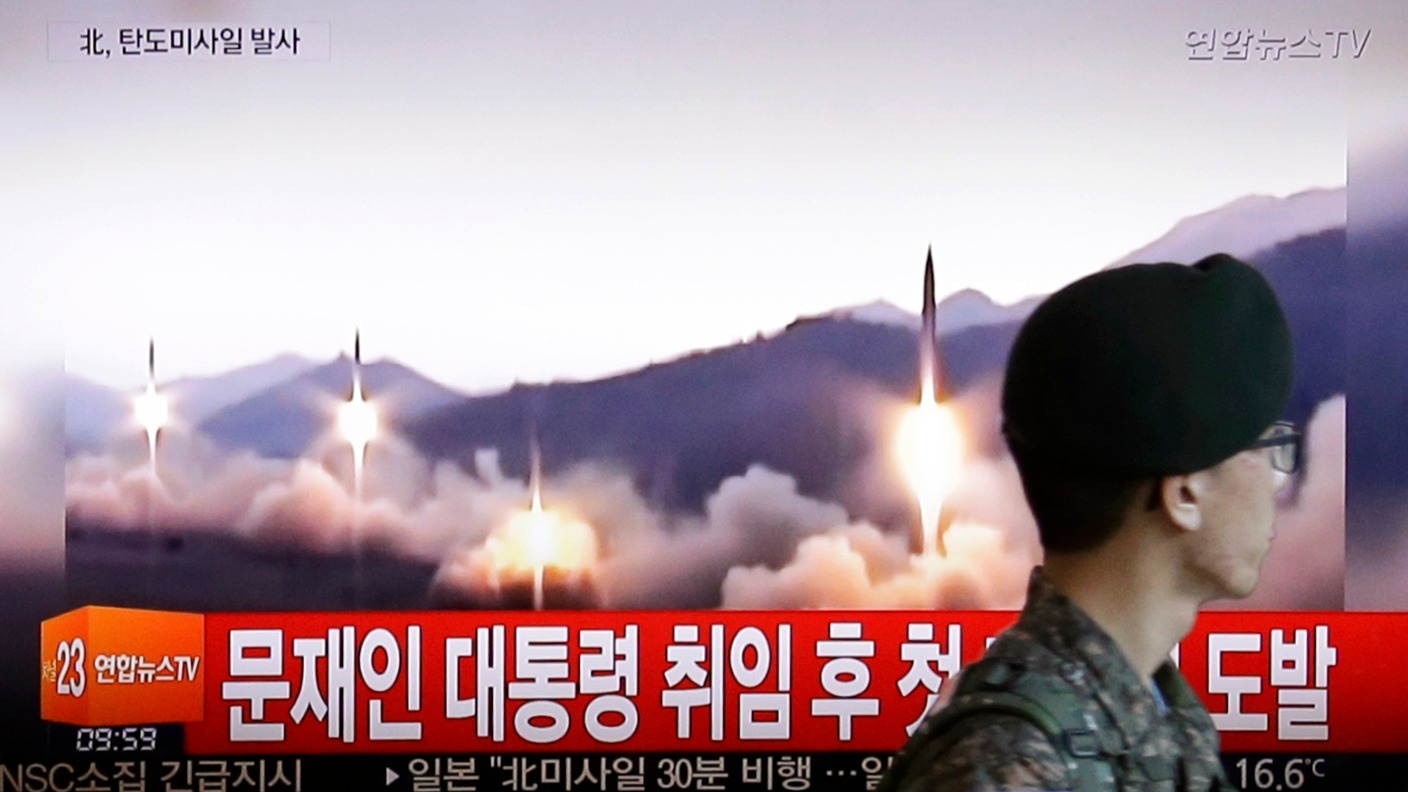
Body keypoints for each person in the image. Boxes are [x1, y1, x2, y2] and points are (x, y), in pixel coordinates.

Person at [880, 253, 1298, 791]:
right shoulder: (1008, 764)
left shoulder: (1163, 716)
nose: (1276, 482)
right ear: (1185, 494)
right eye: (1265, 449)